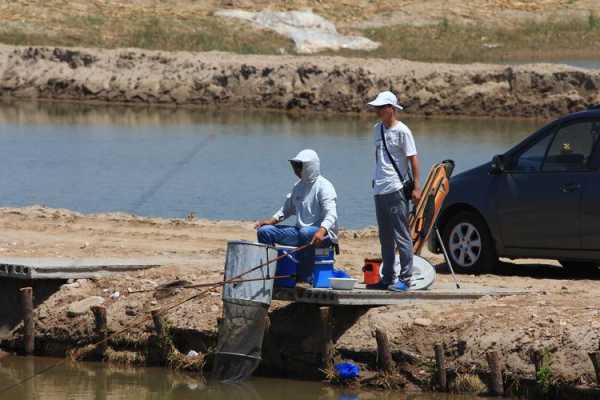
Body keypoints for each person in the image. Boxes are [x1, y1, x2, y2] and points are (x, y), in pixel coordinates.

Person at [255, 149, 338, 281]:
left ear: (310, 167)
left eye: (299, 166)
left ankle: (304, 278)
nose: (296, 170)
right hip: (300, 232)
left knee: (305, 232)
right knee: (264, 232)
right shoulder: (298, 186)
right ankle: (270, 276)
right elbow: (286, 209)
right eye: (294, 166)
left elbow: (332, 215)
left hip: (323, 236)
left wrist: (322, 231)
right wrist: (272, 221)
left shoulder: (324, 186)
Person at [368, 91, 421, 291]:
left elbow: (413, 159)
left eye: (381, 107)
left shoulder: (403, 131)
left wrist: (416, 186)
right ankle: (387, 277)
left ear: (391, 109)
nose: (377, 110)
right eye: (376, 107)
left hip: (396, 187)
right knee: (385, 236)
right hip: (379, 188)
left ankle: (405, 278)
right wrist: (375, 179)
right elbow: (378, 157)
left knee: (402, 235)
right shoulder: (377, 129)